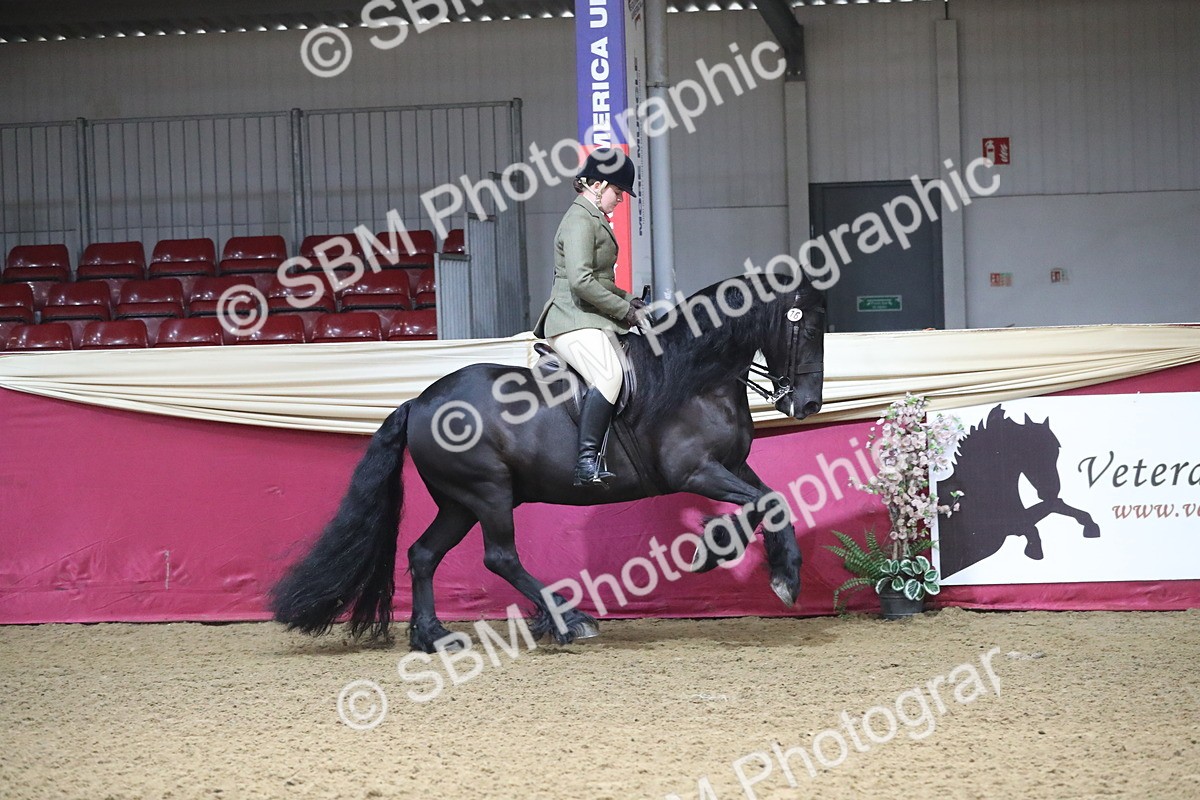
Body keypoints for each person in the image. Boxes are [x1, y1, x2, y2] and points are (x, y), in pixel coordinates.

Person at [533, 149, 647, 486]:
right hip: (571, 319)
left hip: (589, 317)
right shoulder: (579, 219)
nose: (621, 201)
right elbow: (581, 282)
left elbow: (603, 282)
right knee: (610, 376)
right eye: (618, 192)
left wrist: (634, 302)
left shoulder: (593, 217)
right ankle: (585, 462)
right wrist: (625, 311)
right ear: (597, 184)